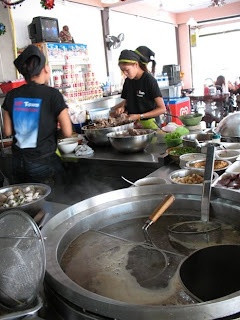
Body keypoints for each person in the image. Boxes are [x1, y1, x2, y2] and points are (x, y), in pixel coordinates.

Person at [2, 44, 72, 186]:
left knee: (27, 203)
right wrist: (51, 134)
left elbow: (7, 131)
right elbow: (68, 132)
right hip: (44, 162)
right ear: (45, 68)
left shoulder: (11, 95)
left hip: (18, 163)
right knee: (56, 201)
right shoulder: (52, 94)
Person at [111, 49, 166, 129]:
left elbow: (162, 109)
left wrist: (139, 116)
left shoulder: (149, 80)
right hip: (133, 124)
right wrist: (122, 108)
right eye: (123, 71)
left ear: (136, 65)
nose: (125, 73)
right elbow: (128, 101)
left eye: (127, 70)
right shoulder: (128, 81)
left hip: (151, 125)